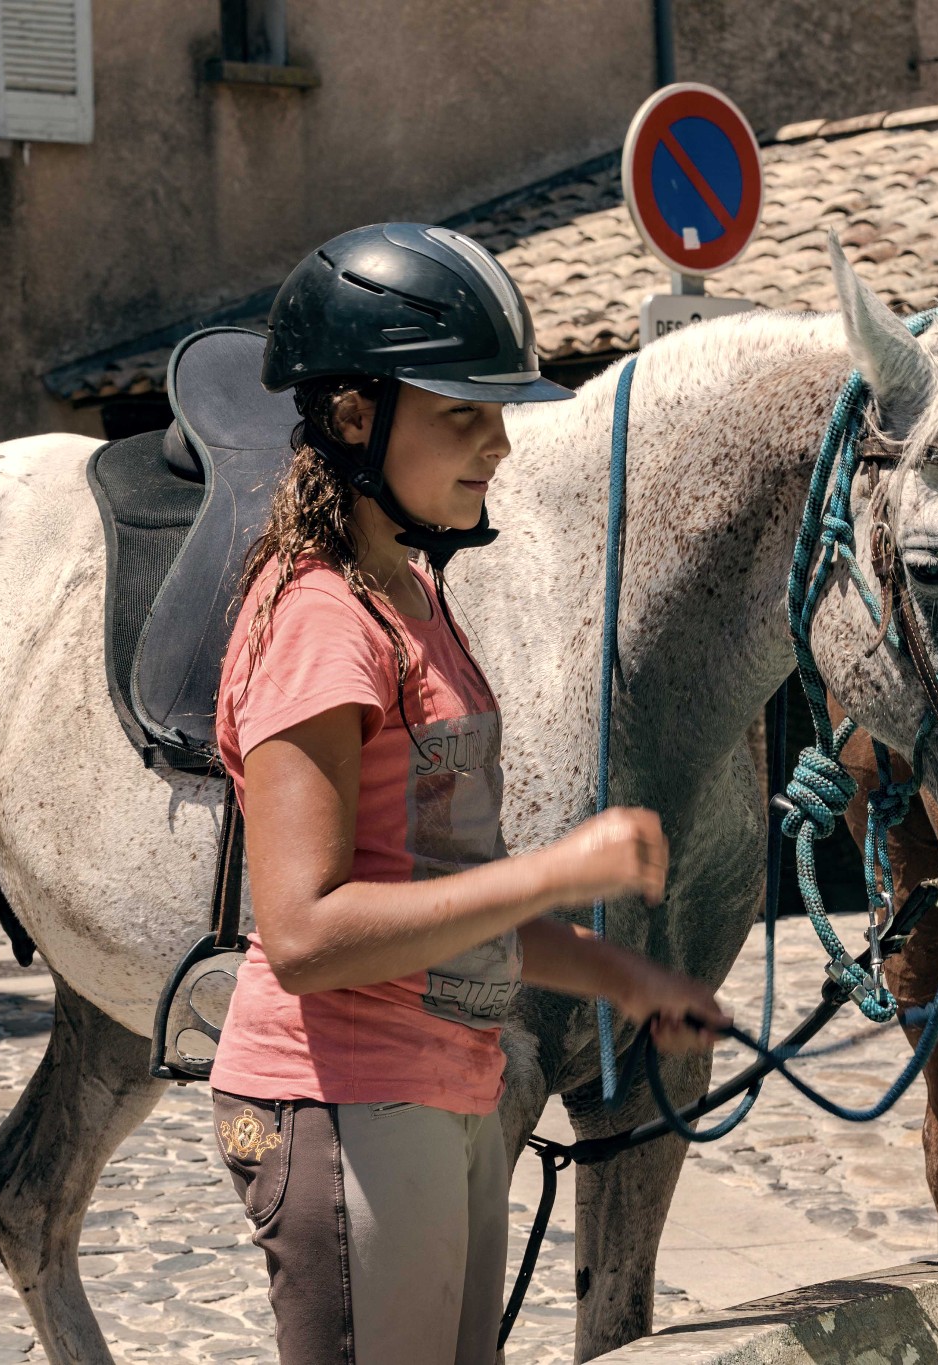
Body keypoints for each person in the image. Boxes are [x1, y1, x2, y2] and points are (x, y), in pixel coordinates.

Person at [209, 223, 729, 1365]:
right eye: (461, 415)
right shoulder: (317, 622)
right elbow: (302, 932)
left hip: (439, 1088)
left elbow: (443, 899)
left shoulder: (414, 601)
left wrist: (624, 978)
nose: (499, 445)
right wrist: (562, 868)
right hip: (338, 1098)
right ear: (354, 418)